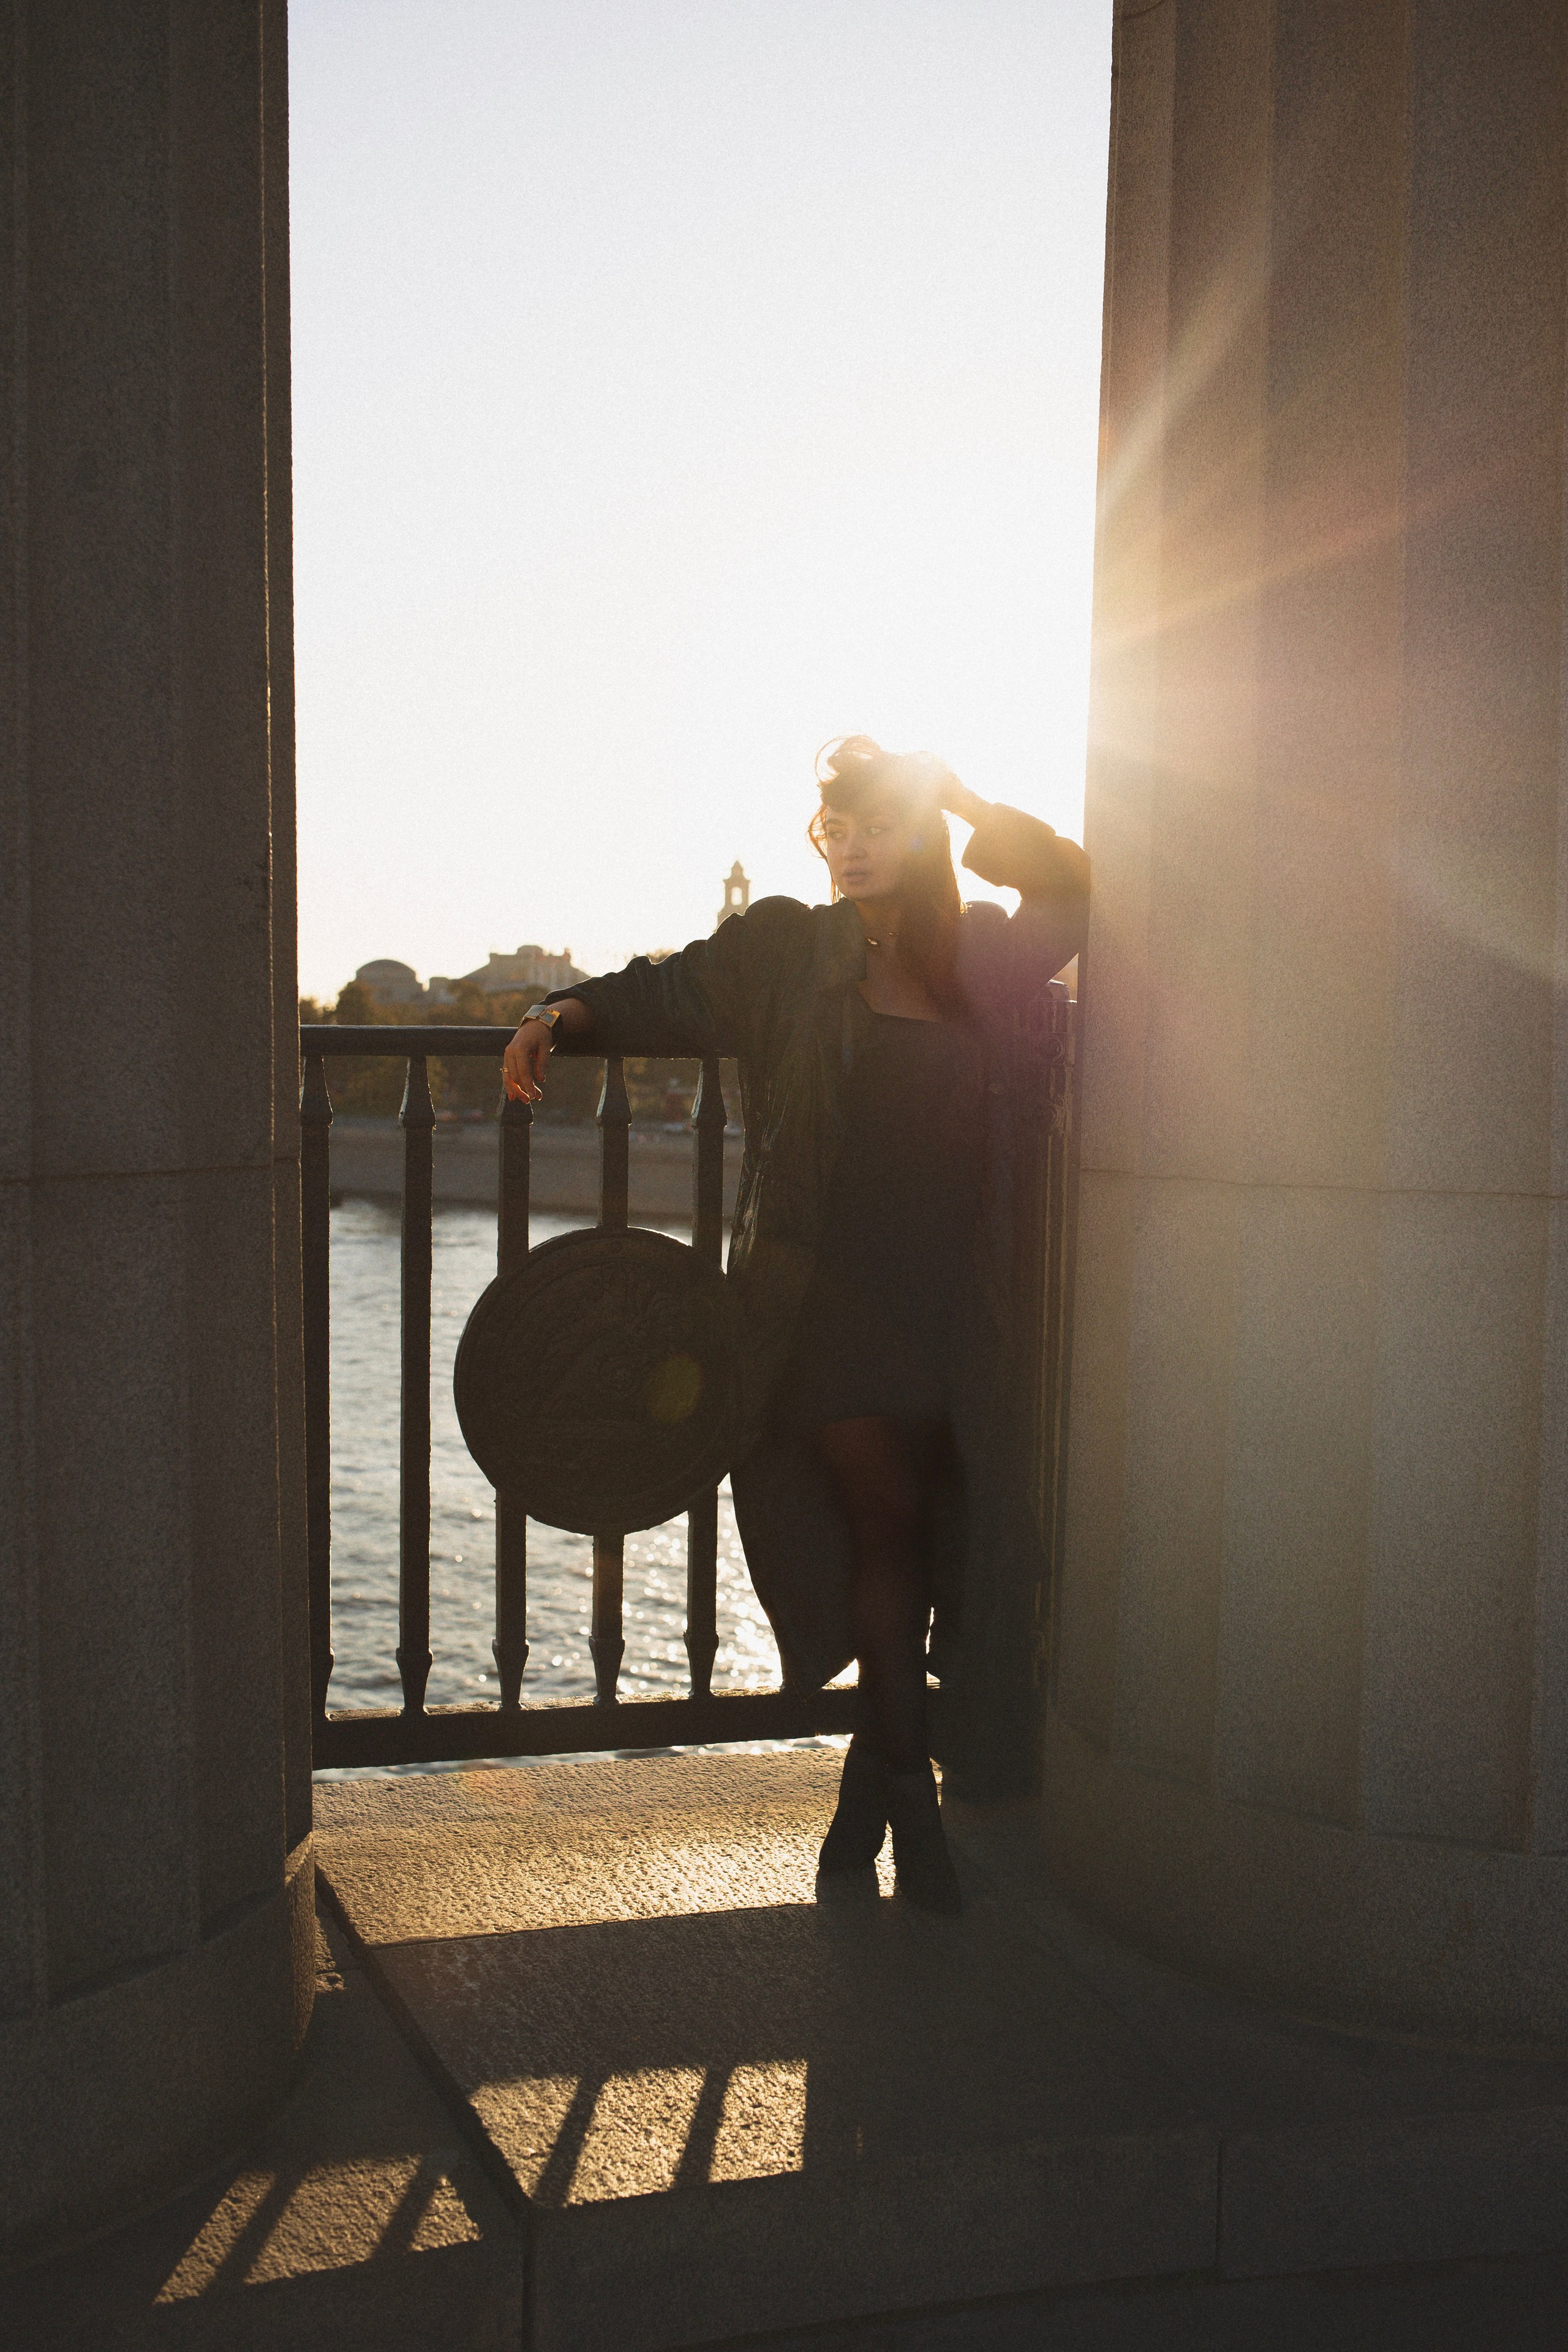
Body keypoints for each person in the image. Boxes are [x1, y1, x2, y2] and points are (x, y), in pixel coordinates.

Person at [502, 737, 1088, 1913]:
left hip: (955, 1301)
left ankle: (871, 1785)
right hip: (824, 1301)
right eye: (836, 827)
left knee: (924, 1534)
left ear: (921, 833)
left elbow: (1073, 887)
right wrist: (552, 1015)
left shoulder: (980, 957)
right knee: (886, 1519)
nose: (853, 844)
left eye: (878, 822)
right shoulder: (784, 950)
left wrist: (968, 797)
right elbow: (661, 991)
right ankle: (912, 1805)